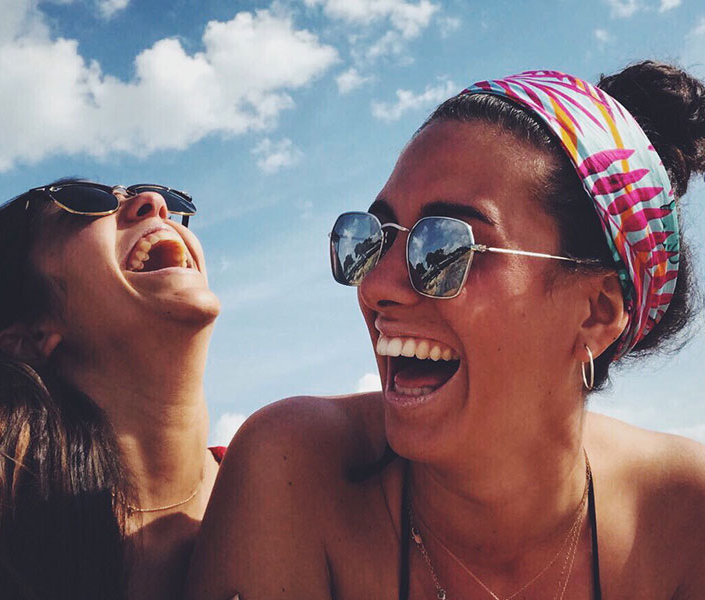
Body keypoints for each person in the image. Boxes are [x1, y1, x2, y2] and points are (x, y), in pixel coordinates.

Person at [186, 61, 705, 599]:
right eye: (373, 237)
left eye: (447, 247)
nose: (378, 285)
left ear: (596, 312)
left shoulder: (683, 518)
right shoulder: (296, 475)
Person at [0, 181, 222, 599]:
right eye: (86, 203)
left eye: (174, 201)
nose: (156, 205)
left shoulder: (269, 476)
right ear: (30, 333)